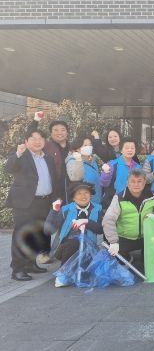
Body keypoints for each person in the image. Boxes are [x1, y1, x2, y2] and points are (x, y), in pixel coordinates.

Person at [5, 129, 60, 281]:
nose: (37, 141)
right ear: (26, 141)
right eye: (33, 138)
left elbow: (53, 179)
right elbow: (9, 168)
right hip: (26, 203)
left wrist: (55, 199)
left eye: (40, 138)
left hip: (44, 201)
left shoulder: (48, 158)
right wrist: (18, 153)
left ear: (44, 141)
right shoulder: (22, 155)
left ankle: (30, 264)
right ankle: (18, 269)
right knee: (22, 235)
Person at [43, 182, 103, 287]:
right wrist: (54, 211)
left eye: (86, 193)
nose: (83, 196)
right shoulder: (65, 210)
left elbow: (101, 229)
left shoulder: (98, 209)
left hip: (89, 248)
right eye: (79, 193)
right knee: (73, 243)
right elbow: (48, 230)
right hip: (65, 248)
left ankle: (68, 272)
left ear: (91, 195)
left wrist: (87, 222)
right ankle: (63, 275)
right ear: (73, 197)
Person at [102, 170, 154, 264]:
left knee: (150, 261)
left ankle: (143, 264)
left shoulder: (153, 196)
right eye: (133, 181)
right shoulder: (119, 198)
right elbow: (108, 219)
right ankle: (128, 260)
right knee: (117, 261)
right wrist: (113, 241)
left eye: (139, 181)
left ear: (144, 182)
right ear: (128, 182)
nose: (136, 184)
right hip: (124, 238)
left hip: (146, 237)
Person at [27, 113, 69, 204]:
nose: (59, 133)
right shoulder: (46, 146)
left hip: (69, 188)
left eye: (63, 130)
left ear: (67, 132)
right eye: (56, 130)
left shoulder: (72, 148)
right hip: (53, 189)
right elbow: (30, 136)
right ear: (51, 133)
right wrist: (36, 121)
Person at [99, 137, 141, 209]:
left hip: (132, 204)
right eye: (127, 148)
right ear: (121, 150)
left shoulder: (138, 167)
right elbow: (103, 184)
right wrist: (106, 173)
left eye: (132, 148)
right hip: (114, 204)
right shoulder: (112, 164)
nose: (130, 150)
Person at [65, 135, 102, 205]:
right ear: (77, 148)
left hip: (96, 201)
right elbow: (75, 177)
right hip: (82, 203)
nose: (89, 147)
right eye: (85, 145)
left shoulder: (93, 160)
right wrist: (78, 161)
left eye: (90, 145)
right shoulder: (72, 161)